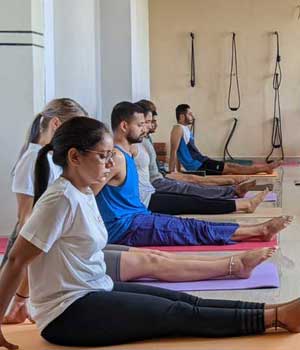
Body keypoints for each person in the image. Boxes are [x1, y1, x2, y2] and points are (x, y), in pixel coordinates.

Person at [1, 116, 300, 349]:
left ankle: (273, 309)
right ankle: (274, 319)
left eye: (111, 156)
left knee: (183, 301)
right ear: (75, 157)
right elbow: (16, 260)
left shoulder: (83, 192)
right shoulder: (60, 199)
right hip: (67, 314)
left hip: (94, 289)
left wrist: (24, 301)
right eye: (103, 156)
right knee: (175, 316)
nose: (110, 163)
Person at [95, 102, 291, 247]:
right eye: (140, 124)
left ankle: (254, 226)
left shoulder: (126, 153)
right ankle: (256, 229)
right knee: (188, 228)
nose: (145, 128)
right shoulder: (116, 158)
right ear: (123, 126)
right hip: (128, 225)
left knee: (190, 224)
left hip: (139, 215)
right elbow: (88, 195)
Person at [1, 98, 88, 325]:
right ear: (57, 124)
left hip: (45, 241)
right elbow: (25, 219)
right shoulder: (32, 159)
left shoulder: (50, 158)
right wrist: (21, 291)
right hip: (30, 243)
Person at [133, 101, 267, 214]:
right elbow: (174, 151)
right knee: (195, 185)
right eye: (146, 123)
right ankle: (238, 186)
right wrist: (173, 171)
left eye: (150, 122)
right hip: (182, 170)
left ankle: (237, 186)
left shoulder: (146, 139)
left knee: (200, 181)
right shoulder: (175, 129)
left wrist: (173, 172)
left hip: (166, 175)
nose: (151, 126)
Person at [169, 104, 282, 175]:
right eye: (189, 114)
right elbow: (173, 152)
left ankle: (265, 168)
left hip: (201, 161)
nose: (192, 116)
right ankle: (265, 168)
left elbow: (179, 152)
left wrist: (179, 171)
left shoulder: (184, 130)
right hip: (198, 166)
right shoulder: (178, 128)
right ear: (182, 116)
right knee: (232, 168)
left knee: (232, 166)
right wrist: (172, 172)